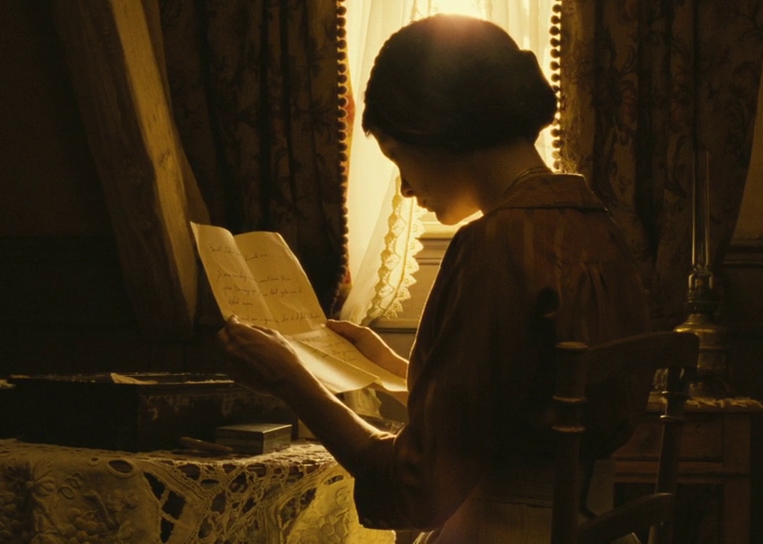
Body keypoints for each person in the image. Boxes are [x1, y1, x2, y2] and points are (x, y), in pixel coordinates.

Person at [217, 14, 650, 543]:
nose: (403, 188)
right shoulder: (594, 225)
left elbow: (418, 490)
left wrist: (292, 380)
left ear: (437, 130)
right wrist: (394, 366)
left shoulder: (495, 247)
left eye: (398, 156)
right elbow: (531, 399)